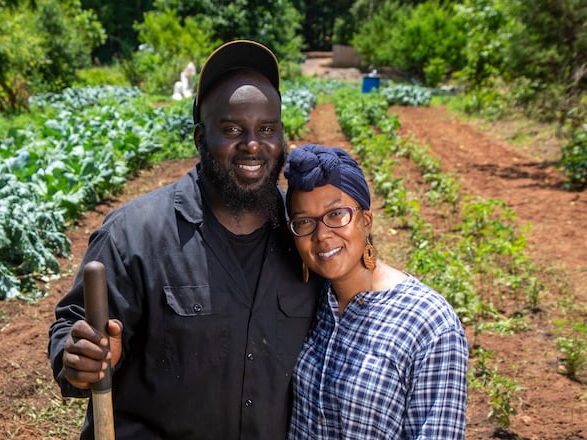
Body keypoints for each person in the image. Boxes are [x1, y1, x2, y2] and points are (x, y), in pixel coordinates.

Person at [47, 40, 322, 440]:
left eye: (267, 129)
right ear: (199, 138)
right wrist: (78, 358)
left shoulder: (305, 237)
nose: (252, 145)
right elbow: (74, 328)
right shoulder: (133, 235)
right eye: (231, 129)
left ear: (282, 137)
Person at [283, 144, 469, 439]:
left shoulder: (429, 323)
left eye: (336, 214)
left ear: (366, 221)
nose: (322, 235)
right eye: (304, 222)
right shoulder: (307, 300)